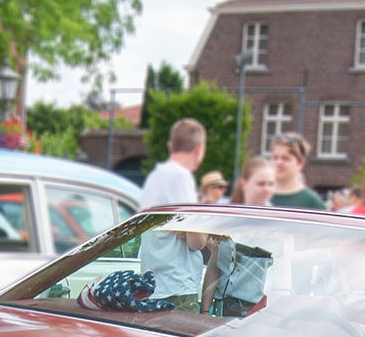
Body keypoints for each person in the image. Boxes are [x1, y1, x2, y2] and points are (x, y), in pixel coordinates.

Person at [137, 117, 208, 310]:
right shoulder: (181, 177)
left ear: (172, 146)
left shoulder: (155, 177)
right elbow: (197, 241)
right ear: (199, 149)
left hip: (152, 285)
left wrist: (186, 231)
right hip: (178, 286)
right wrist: (203, 229)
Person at [202, 156, 277, 315]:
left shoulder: (277, 222)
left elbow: (282, 274)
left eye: (270, 184)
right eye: (261, 183)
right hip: (223, 310)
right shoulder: (228, 219)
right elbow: (214, 266)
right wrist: (203, 311)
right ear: (245, 182)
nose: (266, 189)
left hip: (260, 311)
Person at [268, 133, 326, 209]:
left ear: (300, 163)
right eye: (275, 158)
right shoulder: (262, 195)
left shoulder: (312, 202)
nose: (279, 163)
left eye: (285, 158)